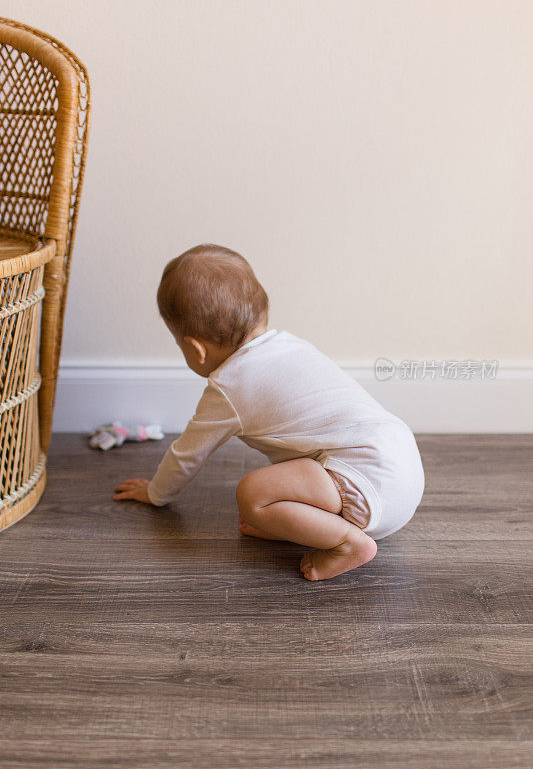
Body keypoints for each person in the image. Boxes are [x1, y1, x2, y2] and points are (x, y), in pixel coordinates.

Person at [114, 243, 425, 581]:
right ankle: (304, 526)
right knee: (293, 476)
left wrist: (156, 493)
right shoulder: (291, 345)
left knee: (253, 495)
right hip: (402, 465)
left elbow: (187, 454)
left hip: (365, 487)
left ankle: (348, 543)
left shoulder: (229, 386)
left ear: (196, 349)